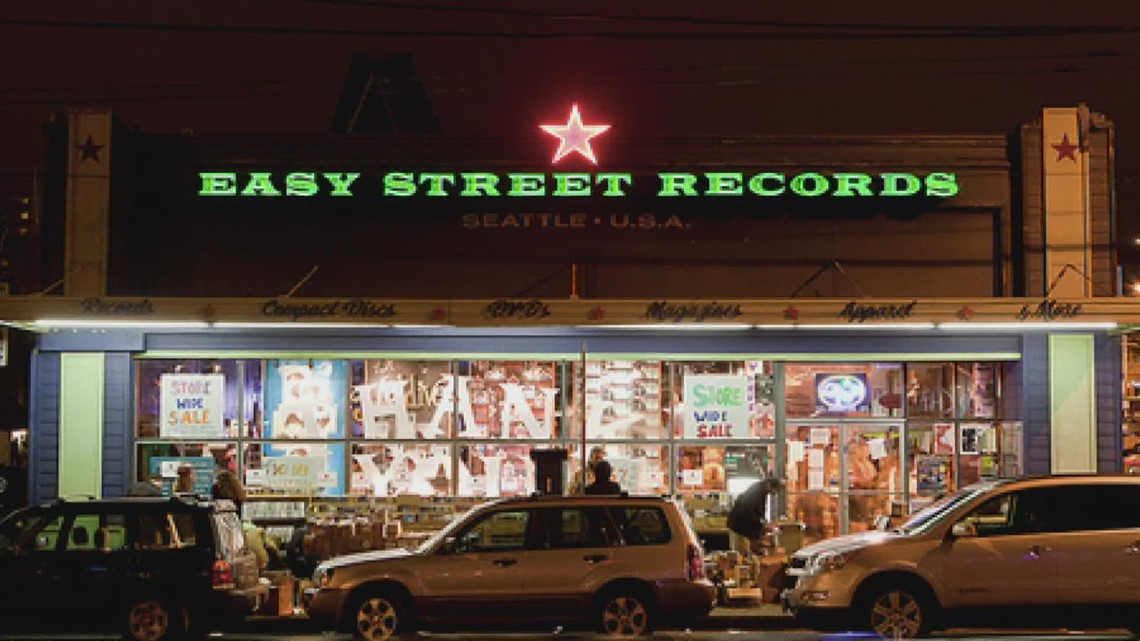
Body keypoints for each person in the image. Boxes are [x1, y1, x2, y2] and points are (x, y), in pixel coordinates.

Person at [727, 476, 785, 551]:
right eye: (774, 491)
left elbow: (760, 512)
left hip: (742, 525)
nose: (774, 494)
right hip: (738, 526)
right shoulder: (756, 492)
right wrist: (762, 528)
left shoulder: (761, 490)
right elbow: (752, 514)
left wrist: (764, 524)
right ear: (769, 485)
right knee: (740, 554)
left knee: (747, 553)